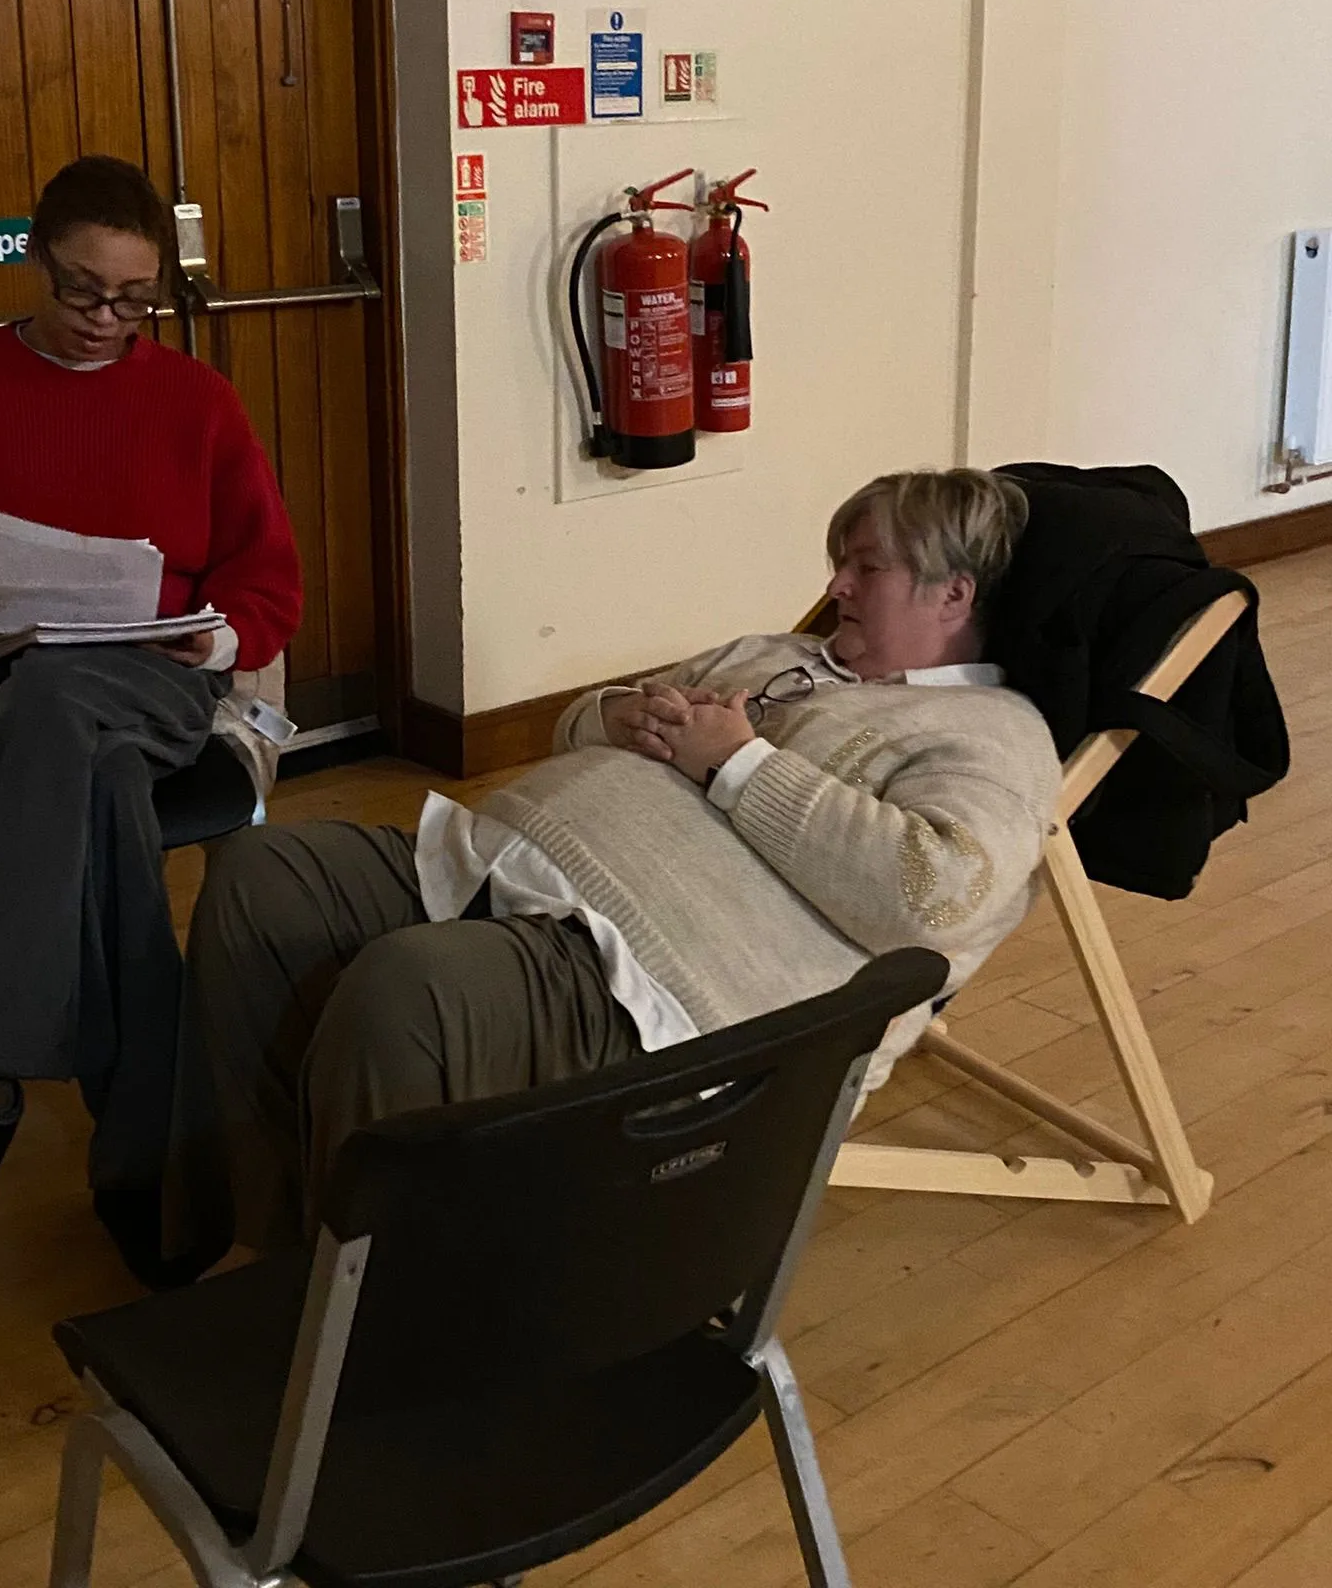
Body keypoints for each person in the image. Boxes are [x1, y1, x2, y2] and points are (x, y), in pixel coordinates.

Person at [165, 467, 1060, 1269]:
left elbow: (934, 895)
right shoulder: (776, 654)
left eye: (867, 567)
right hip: (492, 862)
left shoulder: (992, 735)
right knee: (262, 870)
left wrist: (738, 763)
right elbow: (578, 722)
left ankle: (385, 1323)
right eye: (840, 562)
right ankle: (277, 1237)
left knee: (411, 990)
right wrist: (620, 715)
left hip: (643, 974)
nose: (836, 585)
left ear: (952, 594)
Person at [0, 156, 302, 1280]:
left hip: (144, 680)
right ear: (35, 262)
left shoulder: (197, 400)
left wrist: (219, 636)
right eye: (82, 290)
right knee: (90, 790)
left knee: (61, 699)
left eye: (134, 300)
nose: (106, 320)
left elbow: (269, 584)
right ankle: (149, 1162)